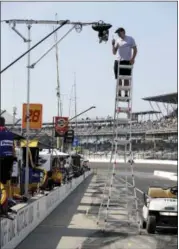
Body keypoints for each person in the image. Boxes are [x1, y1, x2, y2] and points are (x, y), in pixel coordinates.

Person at [112, 27, 137, 97]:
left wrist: (133, 58)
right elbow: (114, 52)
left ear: (123, 32)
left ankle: (126, 93)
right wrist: (113, 45)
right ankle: (119, 93)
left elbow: (135, 49)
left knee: (126, 78)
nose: (118, 34)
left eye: (119, 33)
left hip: (127, 61)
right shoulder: (118, 40)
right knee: (119, 78)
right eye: (117, 33)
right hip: (118, 61)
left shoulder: (130, 39)